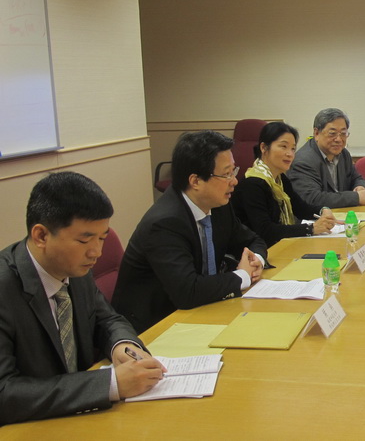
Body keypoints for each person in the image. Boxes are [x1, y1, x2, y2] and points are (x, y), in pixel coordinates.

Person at [0, 172, 166, 425]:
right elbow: (5, 393)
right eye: (84, 240)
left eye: (102, 238)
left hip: (82, 418)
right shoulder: (5, 288)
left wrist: (122, 345)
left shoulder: (74, 268)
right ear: (41, 236)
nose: (96, 252)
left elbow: (106, 318)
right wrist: (110, 384)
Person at [112, 131, 268, 333]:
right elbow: (188, 291)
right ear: (195, 181)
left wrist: (256, 261)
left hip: (203, 310)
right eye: (226, 174)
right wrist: (243, 276)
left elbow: (253, 240)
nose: (234, 181)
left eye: (234, 171)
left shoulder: (218, 205)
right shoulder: (164, 223)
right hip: (155, 327)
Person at [233, 122, 338, 247]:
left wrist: (323, 210)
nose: (290, 154)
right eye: (283, 146)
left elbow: (300, 208)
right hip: (254, 251)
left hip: (277, 245)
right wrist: (311, 228)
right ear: (264, 147)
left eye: (293, 148)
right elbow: (265, 231)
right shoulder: (253, 184)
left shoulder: (280, 178)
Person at [285, 108, 365, 208]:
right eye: (332, 133)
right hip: (317, 216)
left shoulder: (343, 154)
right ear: (316, 133)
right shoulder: (303, 162)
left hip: (341, 213)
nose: (338, 139)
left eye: (343, 133)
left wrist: (360, 186)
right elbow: (313, 199)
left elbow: (356, 178)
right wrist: (356, 197)